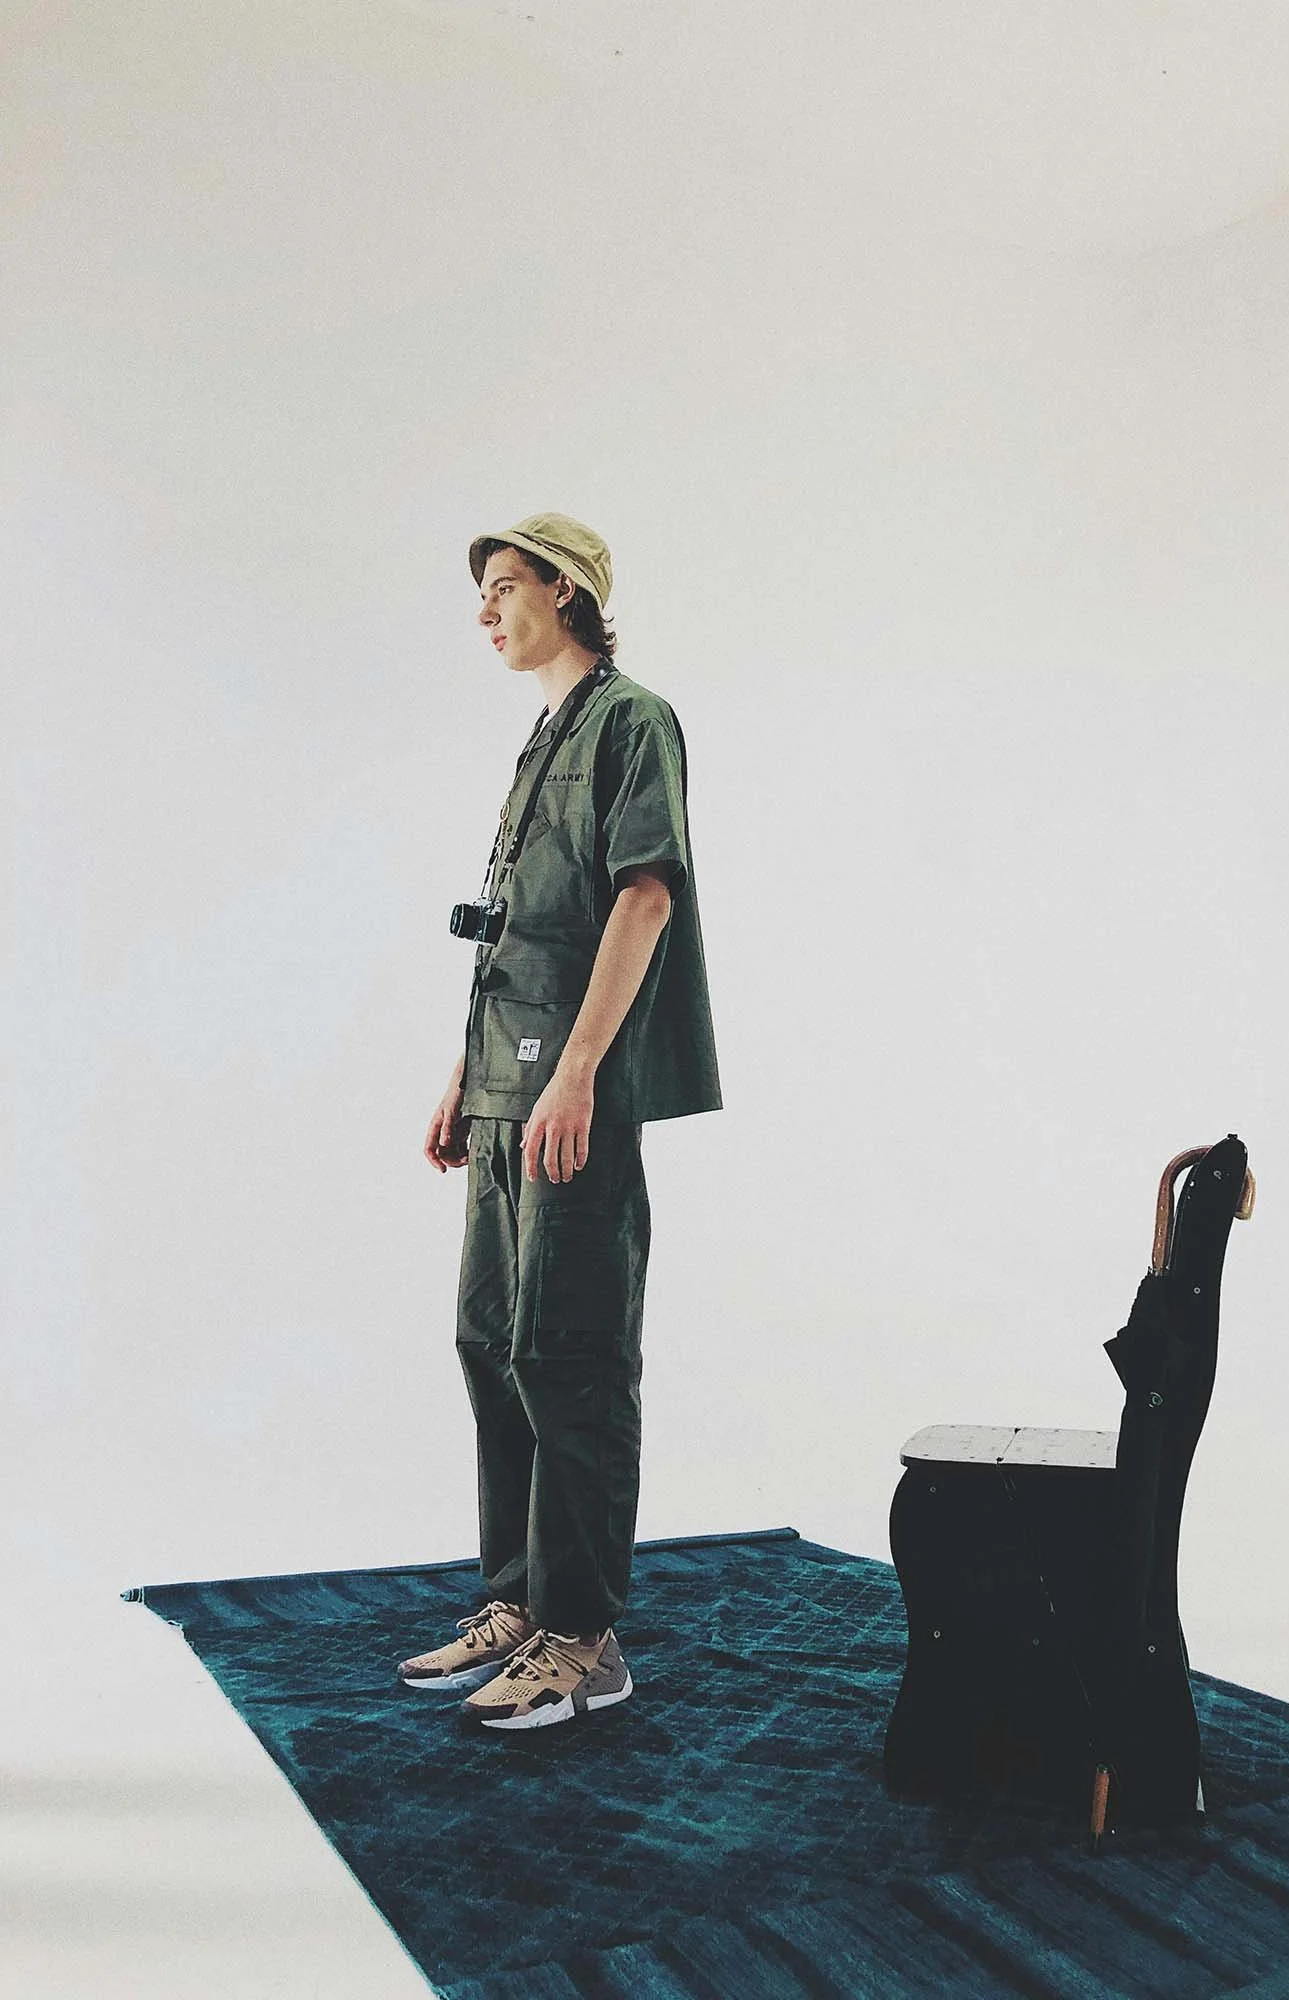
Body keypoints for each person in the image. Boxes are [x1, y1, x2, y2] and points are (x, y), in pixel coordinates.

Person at [397, 512, 721, 1732]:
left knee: (570, 1349)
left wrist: (580, 1069)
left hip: (571, 1092)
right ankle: (521, 1602)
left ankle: (586, 1637)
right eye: (482, 592)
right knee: (491, 1339)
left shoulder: (633, 722)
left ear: (570, 592)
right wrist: (465, 1075)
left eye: (504, 586)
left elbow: (642, 899)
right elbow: (517, 933)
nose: (486, 610)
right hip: (503, 1087)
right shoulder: (543, 739)